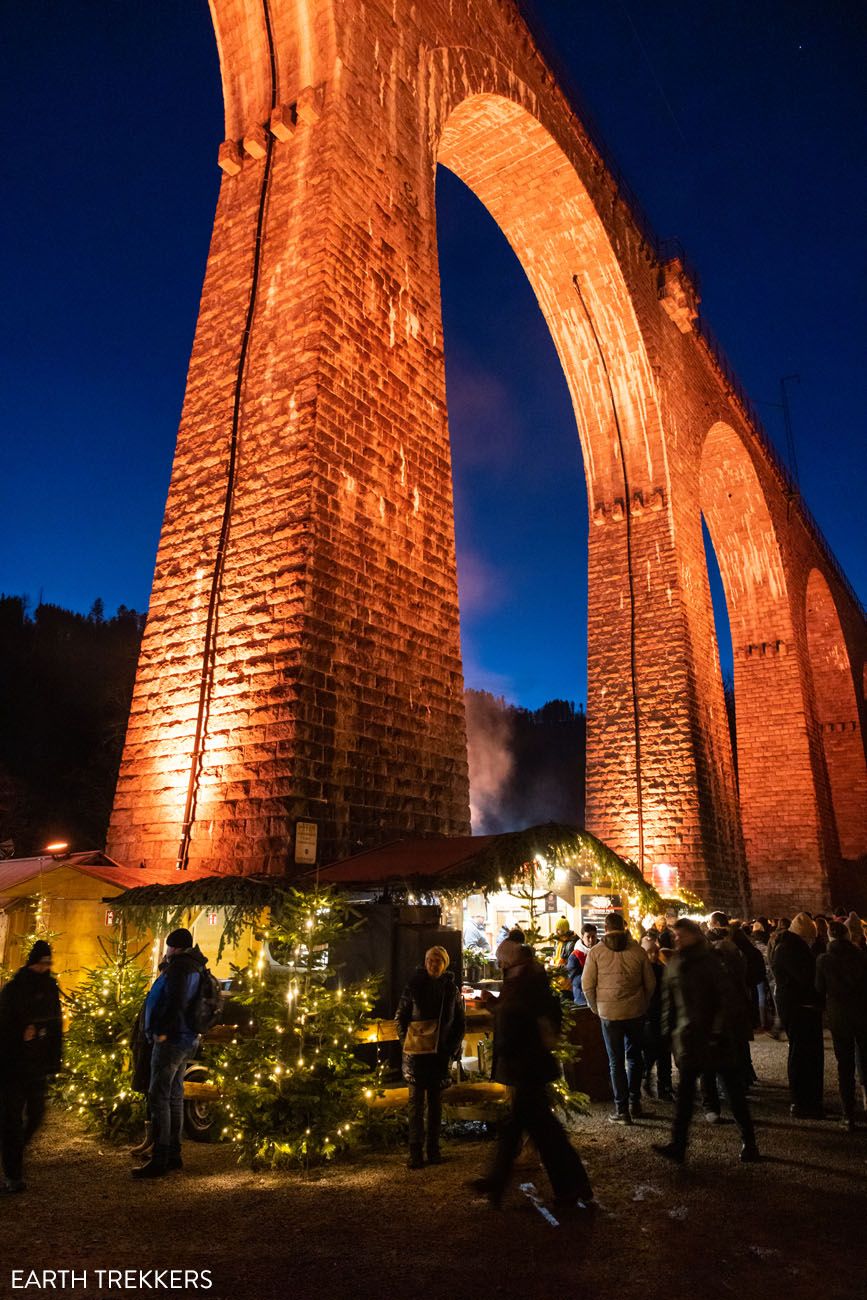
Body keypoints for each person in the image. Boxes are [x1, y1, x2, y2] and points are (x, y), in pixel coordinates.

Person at [472, 939, 592, 1208]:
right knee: (533, 1129)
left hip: (528, 1065)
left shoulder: (528, 982)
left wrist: (503, 1025)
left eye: (501, 960)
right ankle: (500, 1182)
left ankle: (570, 1186)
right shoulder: (522, 979)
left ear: (508, 961)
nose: (499, 965)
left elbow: (522, 1015)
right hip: (526, 1066)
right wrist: (493, 1005)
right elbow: (513, 1010)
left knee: (538, 1131)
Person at [653, 919, 759, 1164]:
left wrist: (717, 1032)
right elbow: (669, 1002)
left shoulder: (711, 961)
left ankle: (749, 1142)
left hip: (715, 1040)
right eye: (675, 936)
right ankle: (678, 1144)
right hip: (690, 1038)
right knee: (686, 1096)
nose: (677, 939)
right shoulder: (676, 963)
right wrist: (667, 1033)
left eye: (681, 935)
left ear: (693, 935)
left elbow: (726, 1000)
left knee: (734, 1094)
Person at [132, 927, 209, 1180]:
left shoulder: (179, 968)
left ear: (174, 947)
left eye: (168, 947)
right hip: (187, 1039)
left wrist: (161, 1031)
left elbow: (174, 1002)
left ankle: (160, 1158)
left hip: (172, 1041)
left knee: (159, 1097)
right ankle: (174, 1153)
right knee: (175, 1095)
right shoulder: (196, 966)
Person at [0, 940, 63, 1193]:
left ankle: (14, 1149)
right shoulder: (14, 989)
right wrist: (20, 1034)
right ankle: (13, 1174)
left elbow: (56, 1025)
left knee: (37, 1113)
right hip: (13, 1065)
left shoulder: (50, 988)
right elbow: (3, 1023)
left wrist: (54, 1060)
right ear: (33, 962)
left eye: (48, 963)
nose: (45, 967)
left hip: (37, 1064)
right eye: (42, 963)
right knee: (12, 1118)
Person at [581, 913, 655, 1123]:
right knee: (635, 1057)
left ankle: (621, 1110)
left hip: (609, 1014)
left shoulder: (596, 952)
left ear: (605, 928)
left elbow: (587, 985)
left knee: (615, 1062)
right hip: (635, 1012)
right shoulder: (638, 951)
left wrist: (596, 1008)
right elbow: (650, 983)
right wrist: (643, 1003)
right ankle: (635, 1103)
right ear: (624, 927)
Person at [395, 945, 464, 1169]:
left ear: (445, 964)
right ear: (425, 963)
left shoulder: (450, 990)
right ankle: (415, 1152)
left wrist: (451, 1048)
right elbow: (401, 1017)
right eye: (430, 960)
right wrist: (408, 1043)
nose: (433, 964)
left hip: (439, 1055)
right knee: (415, 1105)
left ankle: (433, 1150)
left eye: (438, 961)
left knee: (435, 1105)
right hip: (416, 1055)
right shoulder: (413, 986)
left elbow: (459, 1022)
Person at [771, 912, 824, 1118]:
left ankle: (808, 1101)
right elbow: (806, 978)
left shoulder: (788, 947)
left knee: (803, 1054)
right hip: (799, 1008)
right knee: (802, 1055)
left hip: (798, 1006)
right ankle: (802, 1102)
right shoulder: (791, 950)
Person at [816, 921, 867, 1129]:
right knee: (865, 1059)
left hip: (839, 1016)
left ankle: (848, 1114)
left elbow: (819, 988)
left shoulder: (824, 960)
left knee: (844, 1065)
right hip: (862, 1013)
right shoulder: (861, 956)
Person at [640, 934, 674, 1101]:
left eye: (655, 951)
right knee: (650, 1053)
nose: (653, 955)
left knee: (664, 1054)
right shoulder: (640, 972)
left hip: (662, 1015)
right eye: (649, 952)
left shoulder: (662, 969)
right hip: (648, 1017)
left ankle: (664, 1086)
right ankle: (647, 1079)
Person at [566, 924, 598, 1006]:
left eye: (593, 937)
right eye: (588, 937)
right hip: (582, 997)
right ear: (582, 937)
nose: (591, 940)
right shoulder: (575, 956)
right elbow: (574, 979)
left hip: (600, 996)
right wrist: (593, 978)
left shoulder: (601, 952)